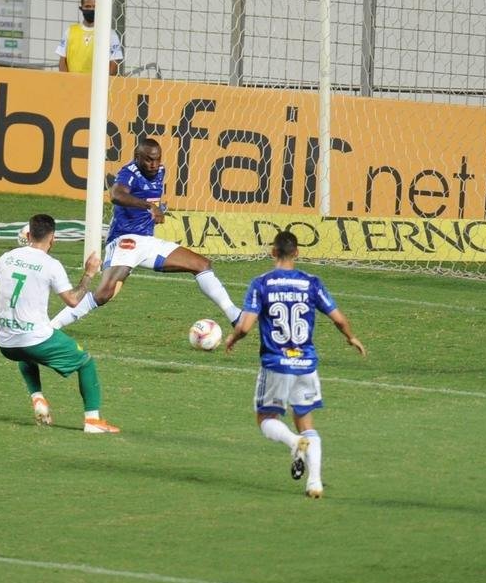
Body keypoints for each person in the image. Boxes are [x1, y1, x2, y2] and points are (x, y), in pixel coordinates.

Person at [224, 230, 366, 499]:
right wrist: (351, 337)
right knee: (306, 422)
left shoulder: (261, 283)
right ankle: (315, 483)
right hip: (306, 363)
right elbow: (337, 318)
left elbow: (245, 325)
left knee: (266, 418)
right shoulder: (312, 283)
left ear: (273, 252)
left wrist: (233, 337)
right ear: (297, 253)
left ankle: (293, 442)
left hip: (276, 363)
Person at [49, 138, 242, 331]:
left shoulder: (161, 171)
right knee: (104, 294)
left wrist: (159, 208)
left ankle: (235, 315)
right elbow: (116, 195)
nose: (154, 164)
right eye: (149, 160)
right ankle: (51, 327)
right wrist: (149, 206)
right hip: (126, 240)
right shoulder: (128, 173)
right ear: (137, 157)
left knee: (202, 264)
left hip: (147, 242)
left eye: (157, 159)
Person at [0, 213, 120, 434]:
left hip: (6, 344)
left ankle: (37, 397)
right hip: (35, 339)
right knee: (85, 362)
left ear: (29, 234)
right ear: (53, 238)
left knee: (25, 352)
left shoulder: (8, 257)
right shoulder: (51, 265)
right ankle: (93, 421)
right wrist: (88, 274)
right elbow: (72, 301)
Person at [56, 0, 122, 76]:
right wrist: (66, 82)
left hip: (96, 87)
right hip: (72, 85)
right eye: (87, 6)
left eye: (95, 6)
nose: (91, 9)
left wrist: (100, 86)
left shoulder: (110, 34)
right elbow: (62, 60)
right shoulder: (70, 31)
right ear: (81, 8)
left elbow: (114, 64)